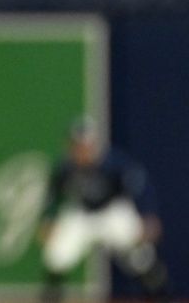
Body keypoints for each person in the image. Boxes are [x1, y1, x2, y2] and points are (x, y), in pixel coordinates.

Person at [38, 118, 171, 302]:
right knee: (56, 253)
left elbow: (141, 187)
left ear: (94, 144)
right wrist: (48, 218)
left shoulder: (113, 163)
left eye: (85, 145)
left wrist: (148, 215)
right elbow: (52, 195)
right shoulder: (66, 166)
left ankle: (160, 296)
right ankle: (51, 299)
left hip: (112, 212)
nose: (82, 150)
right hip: (82, 214)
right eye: (77, 145)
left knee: (140, 256)